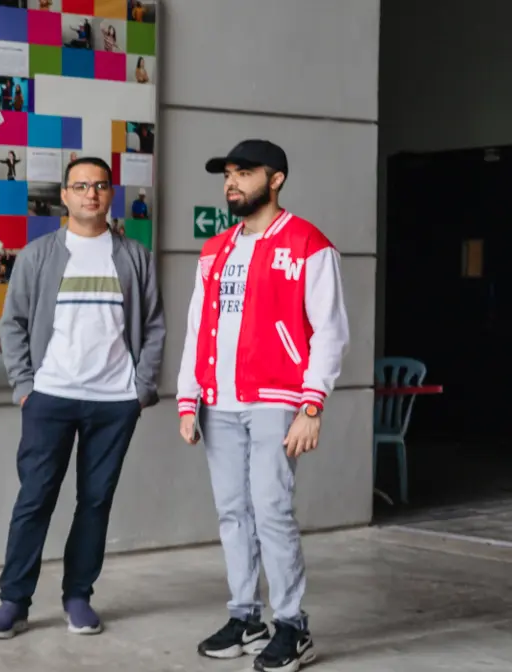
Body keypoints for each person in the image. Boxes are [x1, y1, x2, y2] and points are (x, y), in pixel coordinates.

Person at [177, 140, 346, 672]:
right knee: (233, 512)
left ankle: (292, 626)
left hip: (277, 400)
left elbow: (331, 331)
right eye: (227, 174)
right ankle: (245, 616)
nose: (231, 182)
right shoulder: (215, 249)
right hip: (218, 403)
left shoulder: (307, 243)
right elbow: (195, 328)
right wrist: (189, 397)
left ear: (275, 180)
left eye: (243, 173)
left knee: (271, 511)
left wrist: (311, 404)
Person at [0, 156, 166, 640]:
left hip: (114, 402)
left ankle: (78, 597)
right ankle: (14, 602)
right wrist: (26, 388)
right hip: (51, 397)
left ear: (110, 194)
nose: (91, 194)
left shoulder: (133, 257)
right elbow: (15, 324)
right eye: (81, 186)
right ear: (64, 196)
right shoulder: (39, 255)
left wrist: (140, 389)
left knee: (96, 501)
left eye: (100, 185)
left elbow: (153, 327)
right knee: (35, 498)